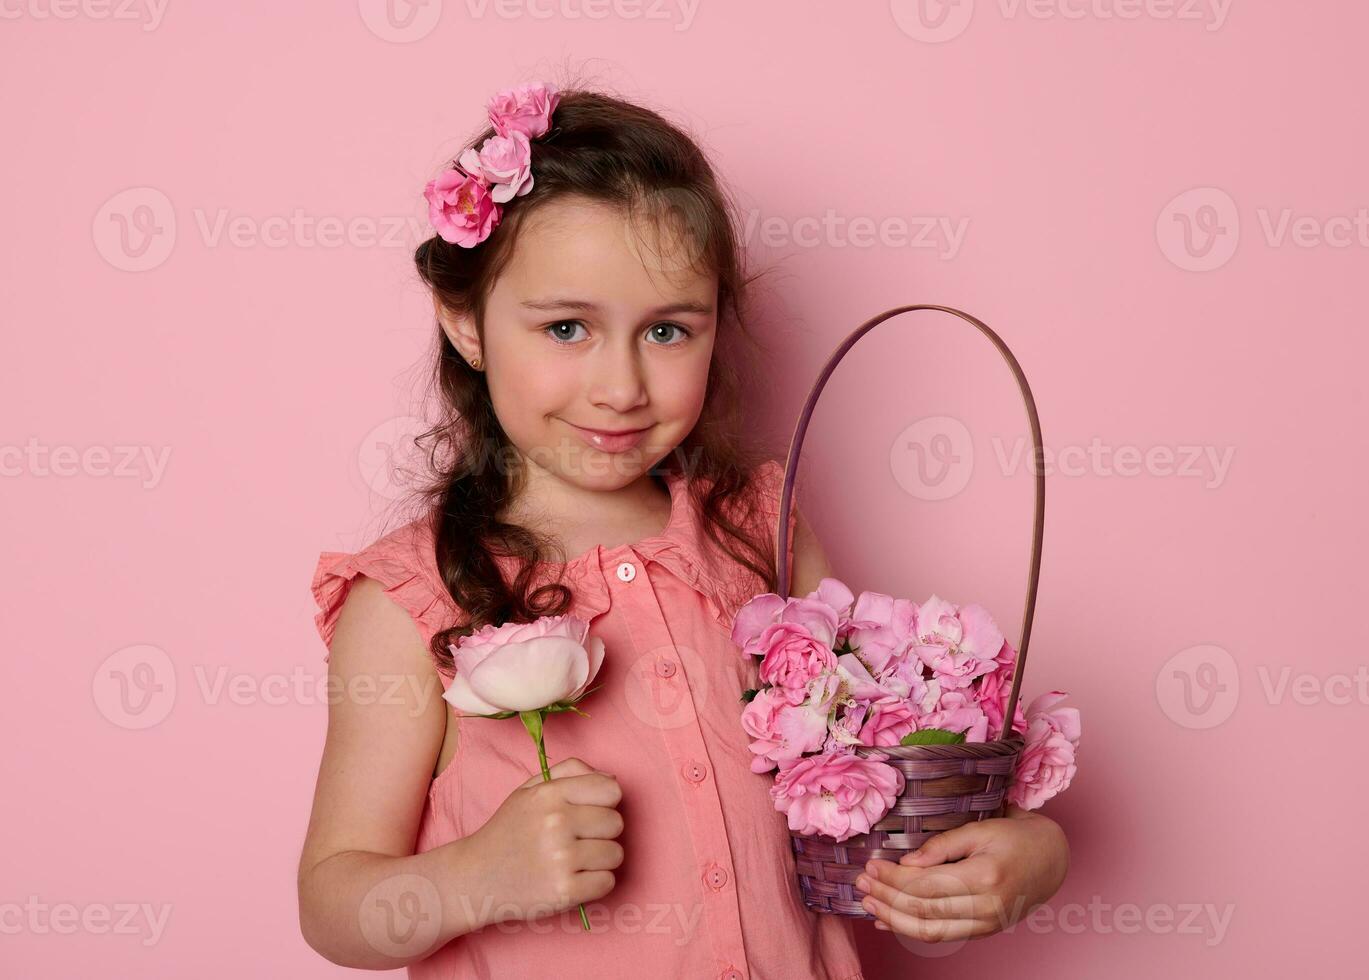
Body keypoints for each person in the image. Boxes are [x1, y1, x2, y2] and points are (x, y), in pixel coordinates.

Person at [296, 79, 1068, 978]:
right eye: (567, 327)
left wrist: (1027, 850)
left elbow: (887, 783)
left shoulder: (760, 534)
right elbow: (332, 905)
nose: (620, 386)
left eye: (666, 332)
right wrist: (474, 879)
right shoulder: (411, 599)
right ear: (464, 322)